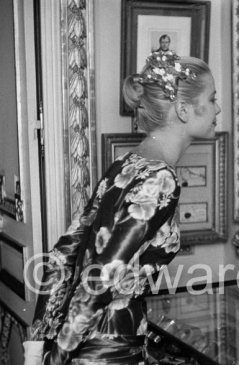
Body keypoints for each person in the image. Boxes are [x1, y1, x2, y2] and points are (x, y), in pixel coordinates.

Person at [23, 51, 220, 364]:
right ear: (183, 110)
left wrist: (38, 345)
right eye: (212, 99)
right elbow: (100, 277)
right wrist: (55, 359)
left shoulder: (126, 163)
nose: (217, 108)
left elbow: (63, 254)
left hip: (84, 344)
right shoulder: (161, 179)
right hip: (109, 352)